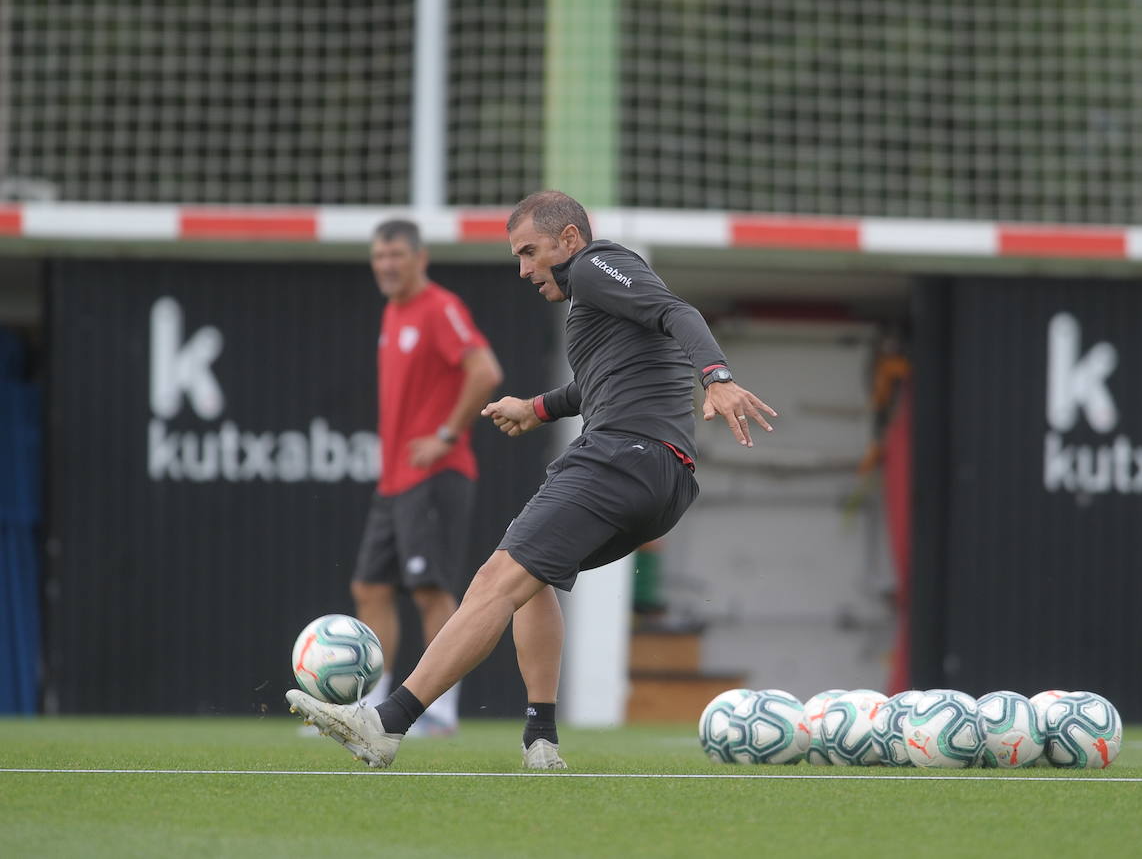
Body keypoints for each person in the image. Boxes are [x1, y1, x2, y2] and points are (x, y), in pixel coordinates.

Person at [288, 191, 776, 769]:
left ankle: (385, 724)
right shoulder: (603, 303)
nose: (523, 269)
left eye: (529, 252)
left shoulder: (595, 266)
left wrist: (717, 376)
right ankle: (540, 739)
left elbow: (681, 314)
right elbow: (597, 384)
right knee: (531, 579)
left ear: (569, 239)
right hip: (665, 479)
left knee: (498, 577)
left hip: (621, 455)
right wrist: (537, 408)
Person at [349, 218, 504, 736]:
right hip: (394, 480)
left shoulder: (439, 307)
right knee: (370, 587)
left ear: (420, 259)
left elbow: (484, 370)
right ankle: (366, 707)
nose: (386, 265)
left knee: (430, 591)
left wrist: (445, 433)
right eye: (379, 256)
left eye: (395, 255)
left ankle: (438, 712)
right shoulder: (393, 312)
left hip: (435, 473)